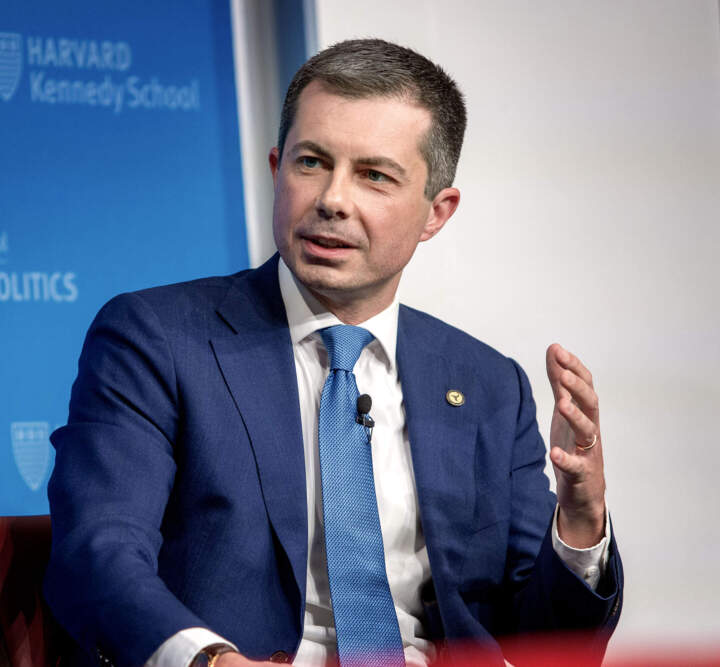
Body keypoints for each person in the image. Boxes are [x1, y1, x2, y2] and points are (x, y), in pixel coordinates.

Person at [44, 39, 621, 667]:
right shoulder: (158, 338)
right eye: (312, 162)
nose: (333, 199)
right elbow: (97, 552)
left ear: (437, 212)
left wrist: (582, 517)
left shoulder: (487, 384)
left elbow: (549, 643)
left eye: (374, 175)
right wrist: (208, 661)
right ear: (275, 169)